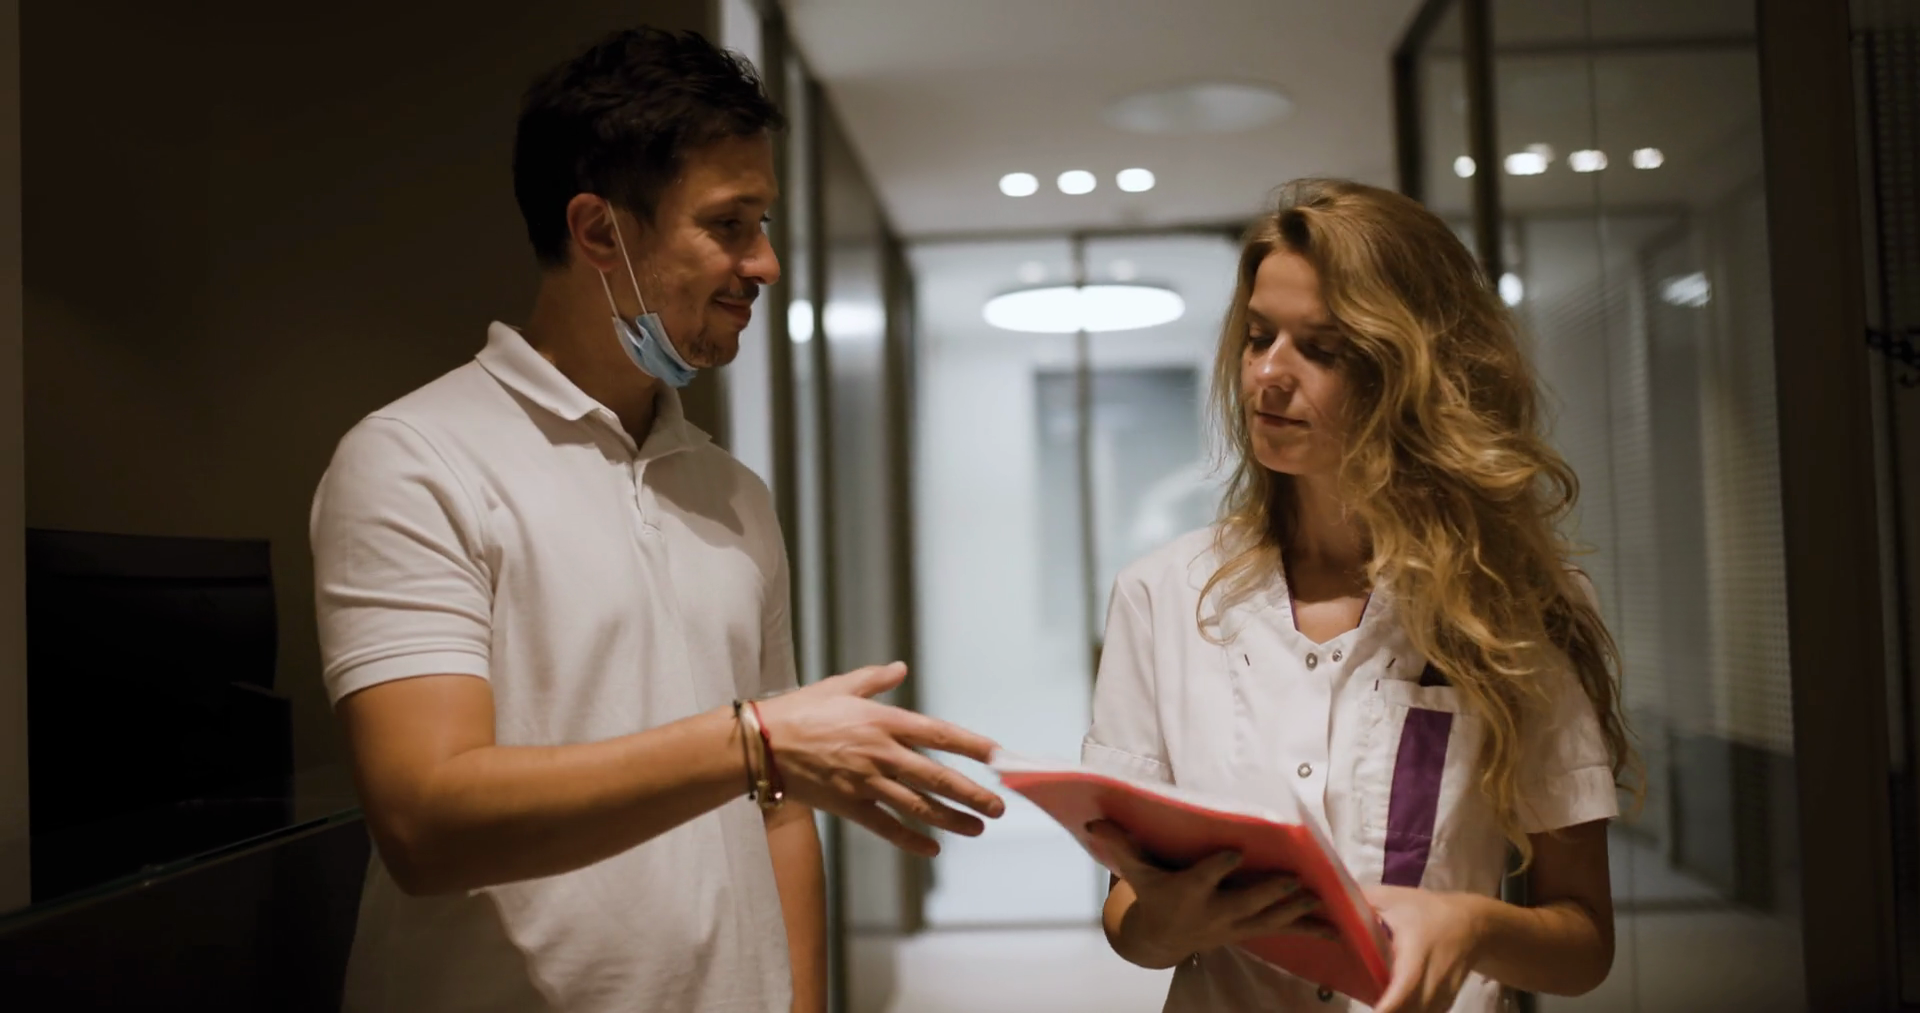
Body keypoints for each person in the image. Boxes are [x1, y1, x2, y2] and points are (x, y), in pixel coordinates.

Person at [309, 27, 1004, 1013]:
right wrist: (754, 741)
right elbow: (426, 823)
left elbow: (779, 811)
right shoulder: (413, 459)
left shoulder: (732, 492)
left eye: (763, 222)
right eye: (729, 224)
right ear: (599, 232)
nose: (765, 263)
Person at [1081, 179, 1633, 1013]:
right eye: (1258, 337)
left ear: (1414, 371)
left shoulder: (1518, 605)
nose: (1268, 374)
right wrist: (1170, 922)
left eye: (1323, 349)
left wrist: (1472, 925)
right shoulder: (1160, 595)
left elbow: (1583, 941)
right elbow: (1130, 923)